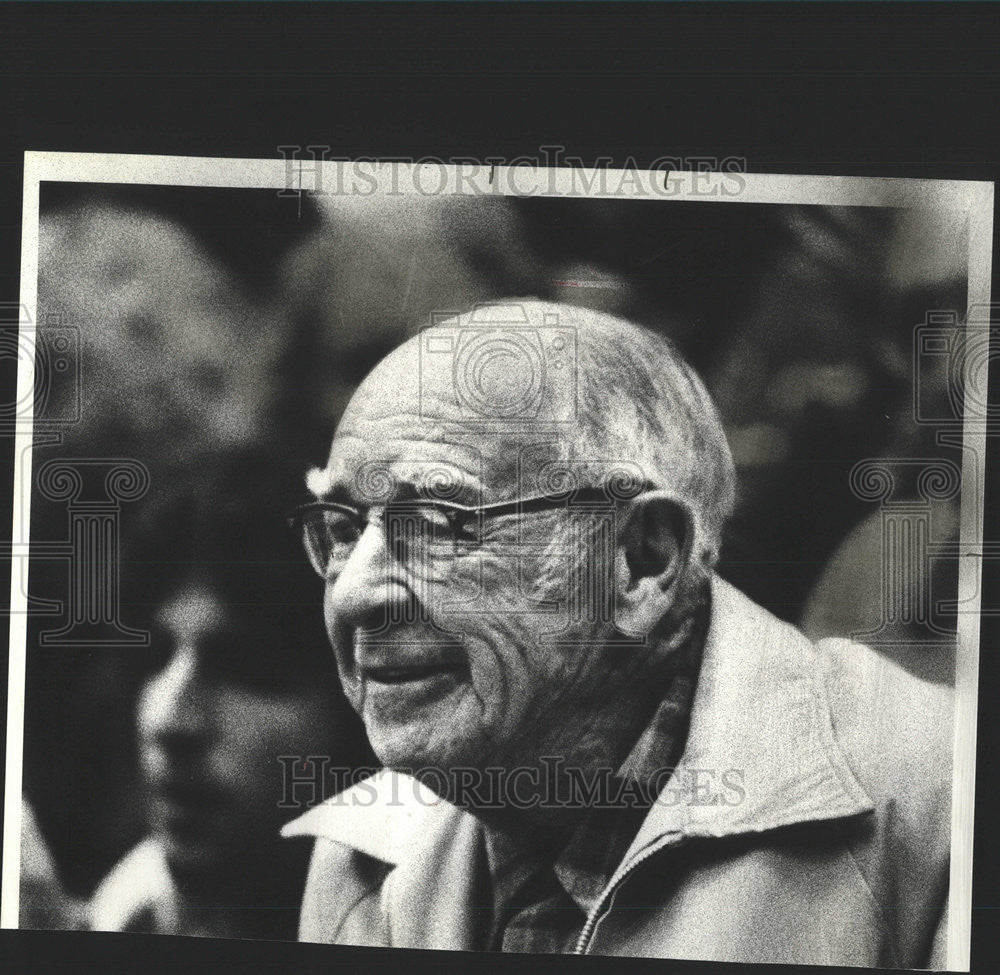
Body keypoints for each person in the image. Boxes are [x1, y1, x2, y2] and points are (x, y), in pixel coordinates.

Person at [284, 300, 952, 968]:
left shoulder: (941, 805)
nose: (353, 593)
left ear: (641, 559)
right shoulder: (360, 852)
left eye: (434, 521)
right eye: (343, 528)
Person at [90, 452, 376, 940]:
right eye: (156, 657)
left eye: (244, 667)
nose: (170, 720)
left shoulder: (455, 923)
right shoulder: (129, 917)